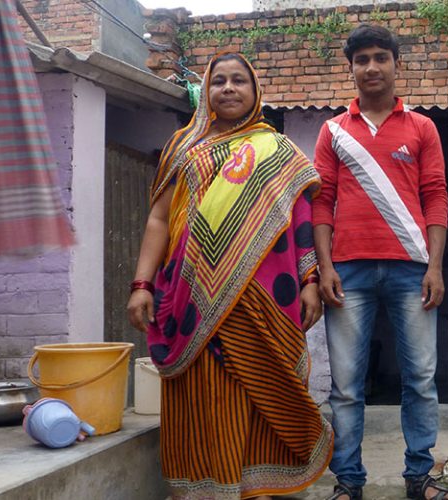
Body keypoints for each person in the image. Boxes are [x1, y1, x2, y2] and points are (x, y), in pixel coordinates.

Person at [126, 52, 332, 500]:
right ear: (207, 92)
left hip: (259, 298)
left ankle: (254, 489)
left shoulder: (277, 151)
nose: (229, 89)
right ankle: (204, 488)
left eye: (240, 80)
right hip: (189, 295)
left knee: (256, 392)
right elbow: (159, 219)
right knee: (200, 396)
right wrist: (141, 285)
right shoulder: (183, 147)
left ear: (256, 91)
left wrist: (310, 280)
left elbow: (298, 221)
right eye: (218, 81)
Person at [312, 25, 448, 500]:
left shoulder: (422, 128)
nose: (371, 67)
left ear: (397, 64)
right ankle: (348, 484)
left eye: (380, 57)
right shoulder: (333, 130)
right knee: (347, 387)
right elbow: (322, 201)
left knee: (420, 379)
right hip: (347, 273)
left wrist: (434, 267)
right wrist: (325, 266)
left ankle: (419, 478)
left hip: (411, 269)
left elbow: (436, 197)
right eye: (362, 59)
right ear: (350, 68)